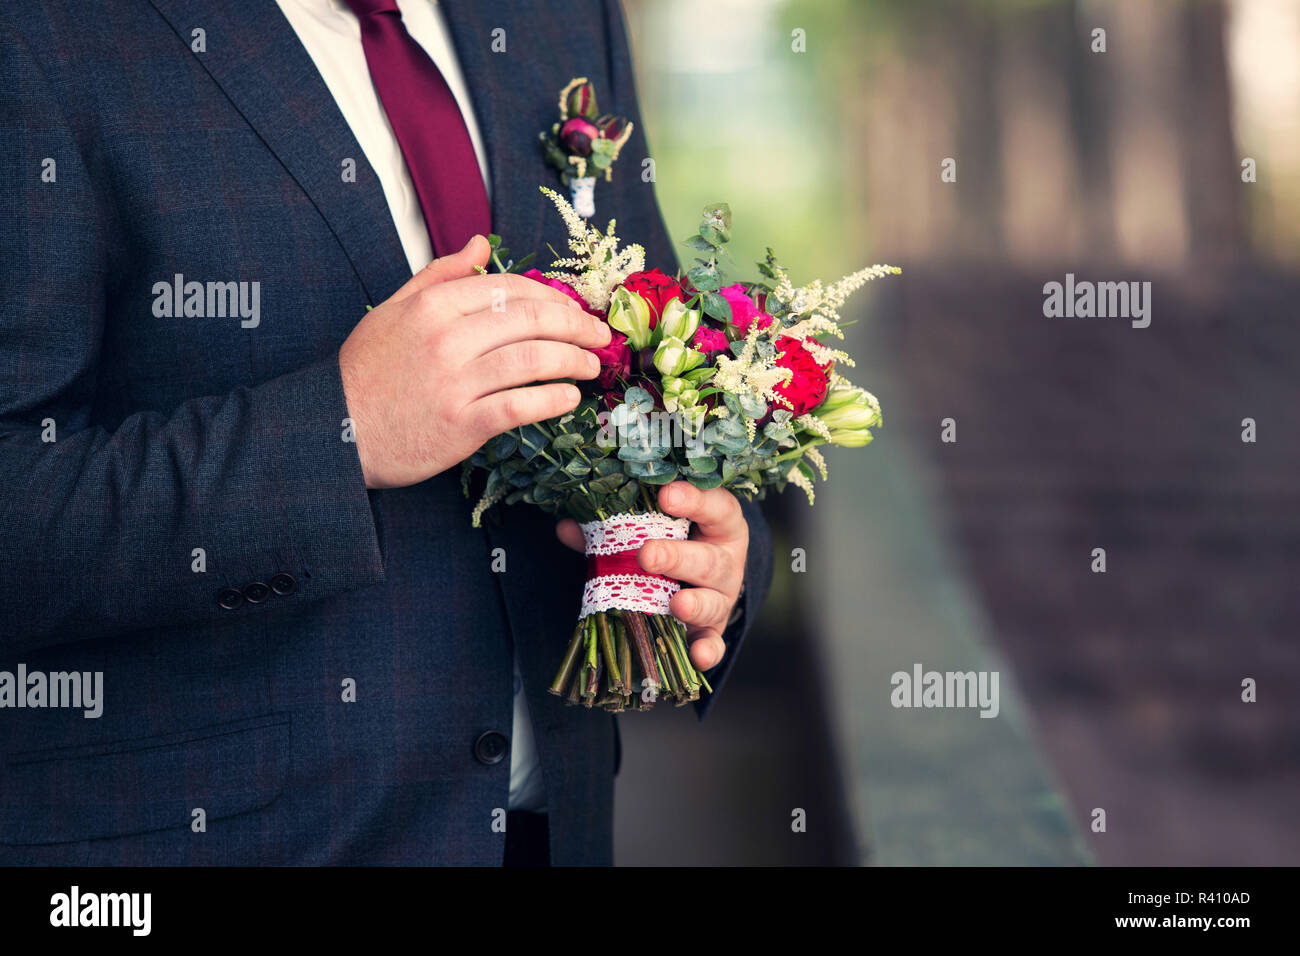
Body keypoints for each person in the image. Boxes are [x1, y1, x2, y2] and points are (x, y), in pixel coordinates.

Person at [0, 0, 771, 866]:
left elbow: (672, 364)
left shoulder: (566, 16)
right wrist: (344, 430)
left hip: (554, 834)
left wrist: (719, 552)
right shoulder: (43, 29)